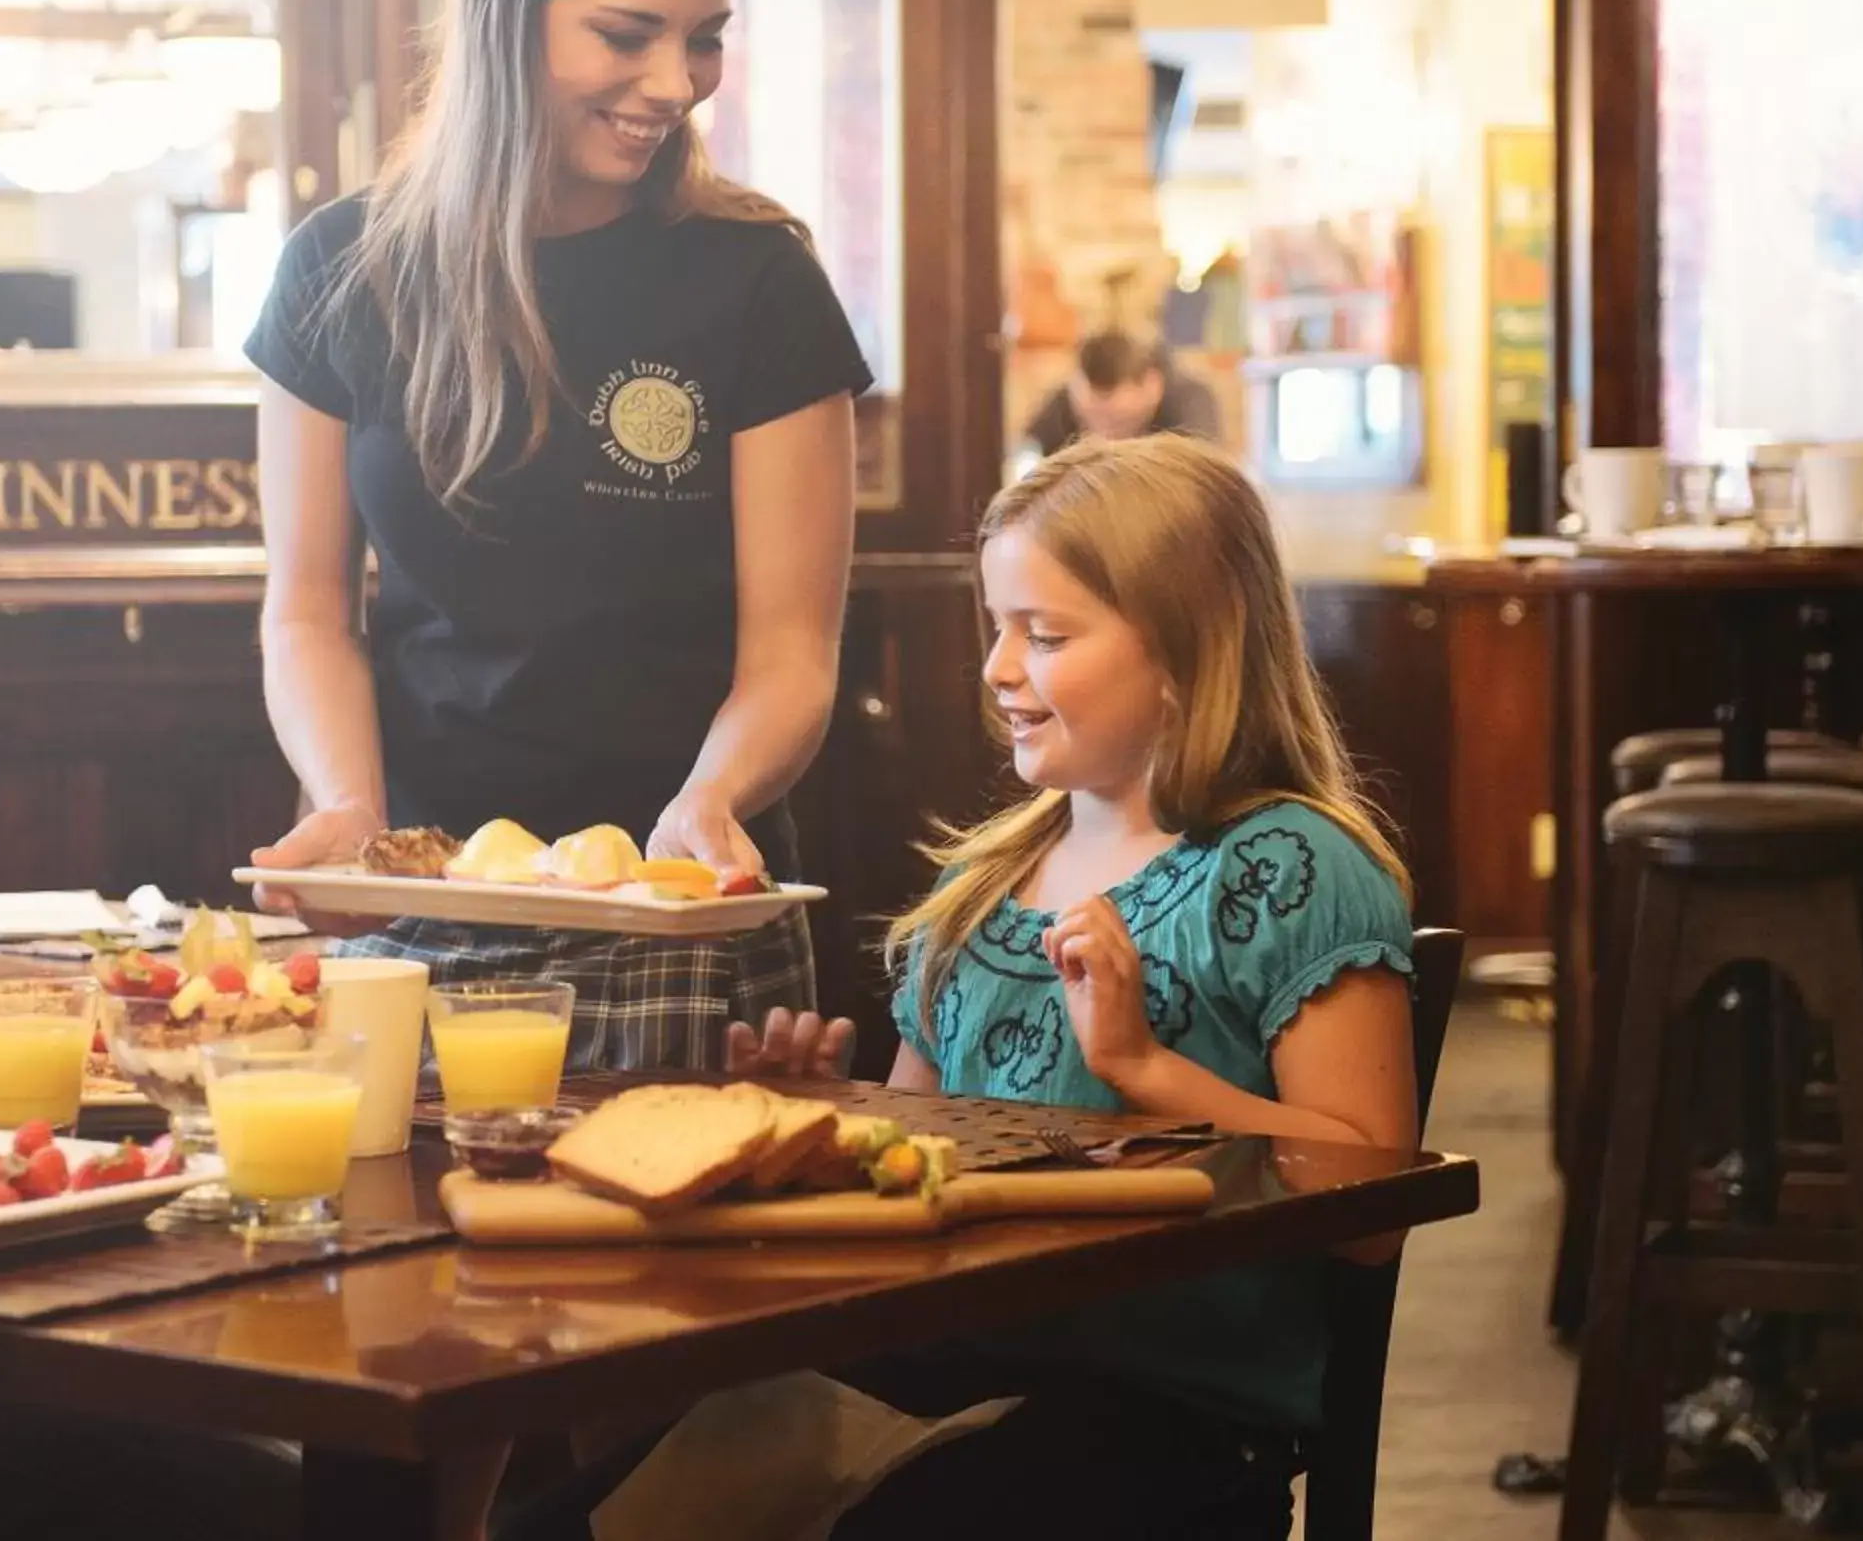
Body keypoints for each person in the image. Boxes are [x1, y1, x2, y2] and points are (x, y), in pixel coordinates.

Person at [522, 436, 1419, 1537]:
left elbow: (1373, 1210)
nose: (998, 669)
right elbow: (922, 1170)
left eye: (1043, 635)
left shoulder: (1295, 870)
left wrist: (1144, 1068)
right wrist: (825, 1121)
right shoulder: (983, 881)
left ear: (1189, 651)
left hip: (1165, 1423)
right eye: (997, 629)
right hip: (933, 1378)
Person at [245, 0, 873, 1072]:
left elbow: (793, 654)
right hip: (417, 910)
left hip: (678, 912)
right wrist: (350, 810)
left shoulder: (758, 281)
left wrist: (712, 800)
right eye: (627, 34)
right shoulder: (338, 273)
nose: (674, 85)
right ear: (503, 11)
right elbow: (309, 611)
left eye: (703, 39)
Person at [1020, 325, 1222, 458]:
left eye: (1118, 421)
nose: (1104, 435)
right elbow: (1028, 453)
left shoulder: (1190, 404)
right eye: (1091, 419)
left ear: (1152, 386)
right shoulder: (1065, 402)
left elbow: (1202, 481)